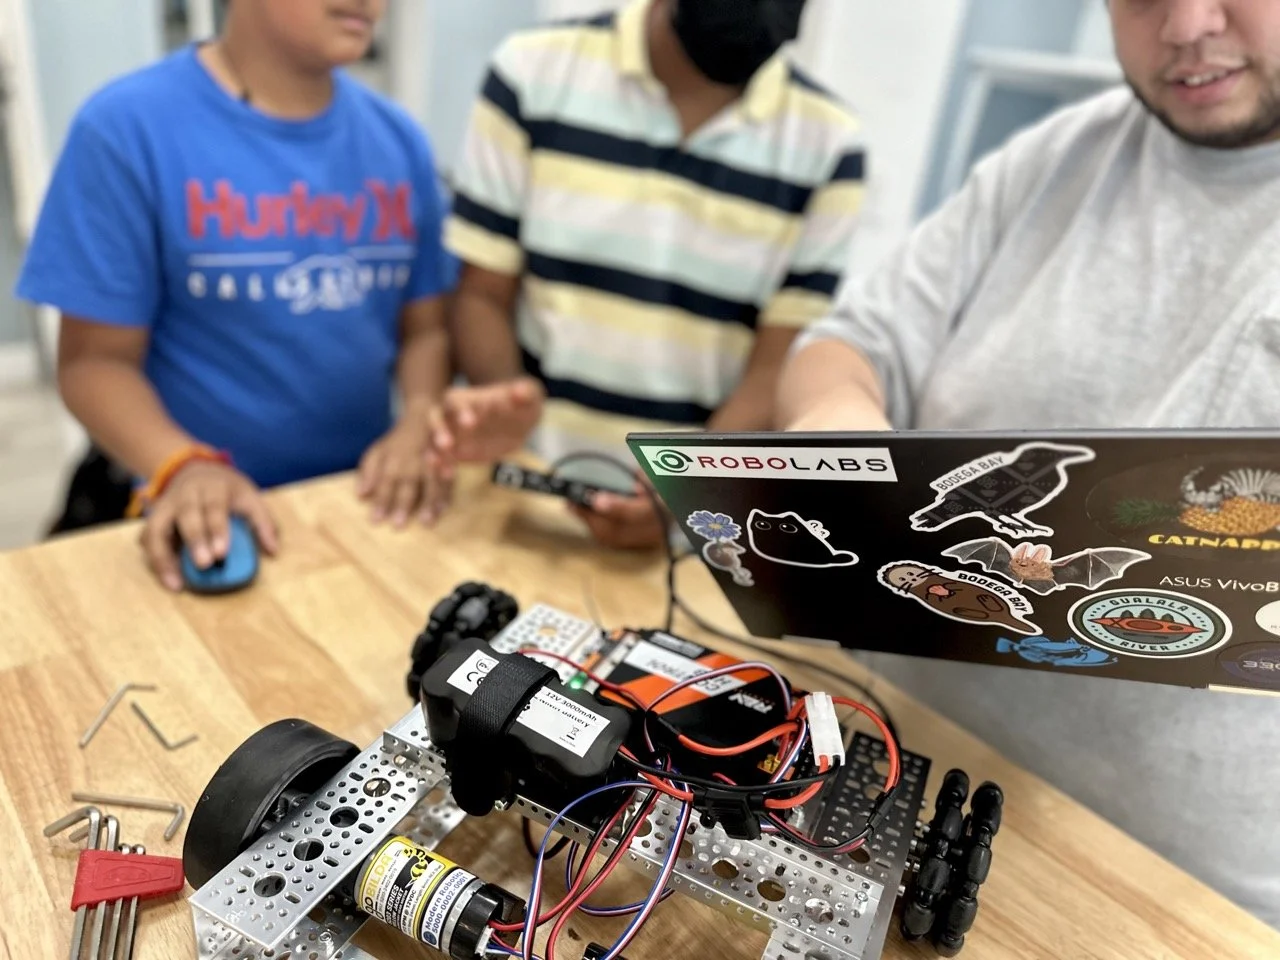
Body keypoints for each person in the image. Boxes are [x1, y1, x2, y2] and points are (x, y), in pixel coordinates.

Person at [776, 0, 1280, 928]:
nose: (1186, 25)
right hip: (889, 771)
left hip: (1172, 895)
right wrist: (847, 438)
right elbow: (849, 344)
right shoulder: (1056, 159)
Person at [16, 0, 535, 589]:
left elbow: (425, 328)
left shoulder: (399, 141)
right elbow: (93, 363)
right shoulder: (125, 130)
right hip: (194, 513)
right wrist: (181, 465)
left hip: (357, 505)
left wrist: (418, 414)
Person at [440, 0, 865, 549]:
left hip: (687, 531)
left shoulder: (829, 143)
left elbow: (773, 365)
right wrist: (503, 404)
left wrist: (684, 495)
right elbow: (483, 292)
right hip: (526, 496)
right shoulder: (532, 70)